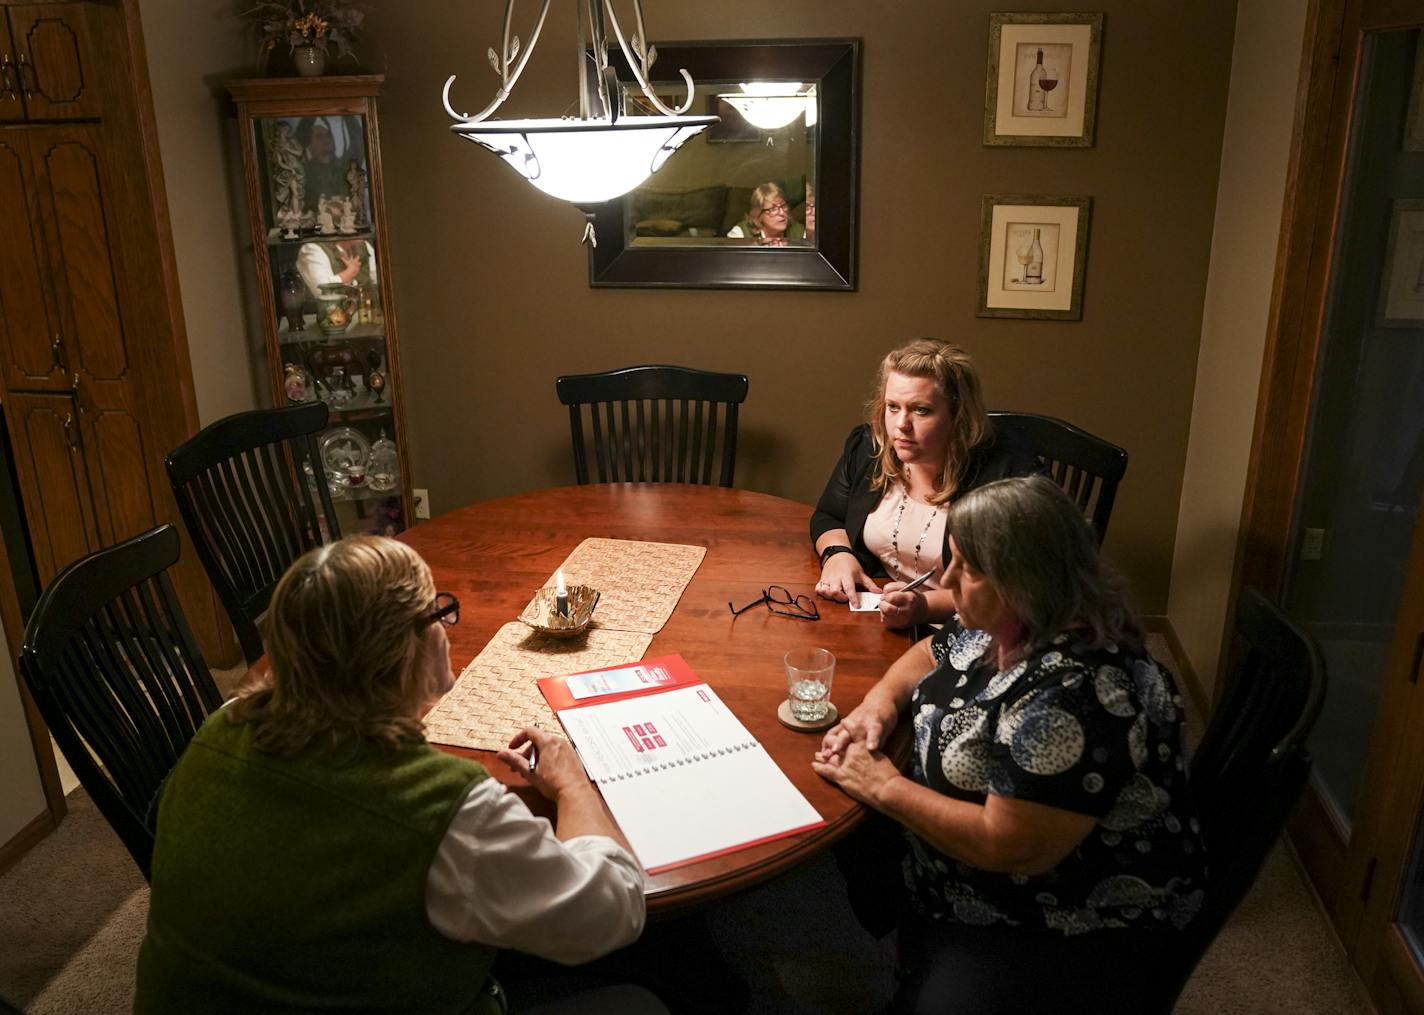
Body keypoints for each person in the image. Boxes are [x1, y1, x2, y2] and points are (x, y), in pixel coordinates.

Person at [134, 536, 655, 1014]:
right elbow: (615, 909)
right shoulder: (447, 810)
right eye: (436, 614)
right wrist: (571, 784)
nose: (443, 628)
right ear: (404, 651)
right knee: (639, 999)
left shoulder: (218, 729)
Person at [813, 476, 1206, 1014]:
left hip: (1056, 920)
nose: (946, 580)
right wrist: (879, 705)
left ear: (1025, 578)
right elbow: (931, 652)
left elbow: (1009, 846)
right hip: (981, 872)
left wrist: (885, 787)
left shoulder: (1076, 695)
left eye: (966, 568)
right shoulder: (1017, 620)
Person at [810, 338, 1037, 628]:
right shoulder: (870, 447)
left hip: (974, 628)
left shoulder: (1004, 477)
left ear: (958, 415)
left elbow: (1013, 587)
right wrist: (837, 554)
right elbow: (829, 515)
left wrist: (924, 607)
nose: (901, 425)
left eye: (921, 410)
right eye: (893, 407)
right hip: (881, 618)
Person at [726, 181, 806, 246]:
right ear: (758, 215)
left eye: (783, 206)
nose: (782, 213)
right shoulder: (740, 234)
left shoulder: (799, 231)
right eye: (773, 209)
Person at [297, 236, 377, 297]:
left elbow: (379, 280)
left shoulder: (363, 245)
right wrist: (348, 274)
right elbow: (321, 291)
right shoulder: (312, 249)